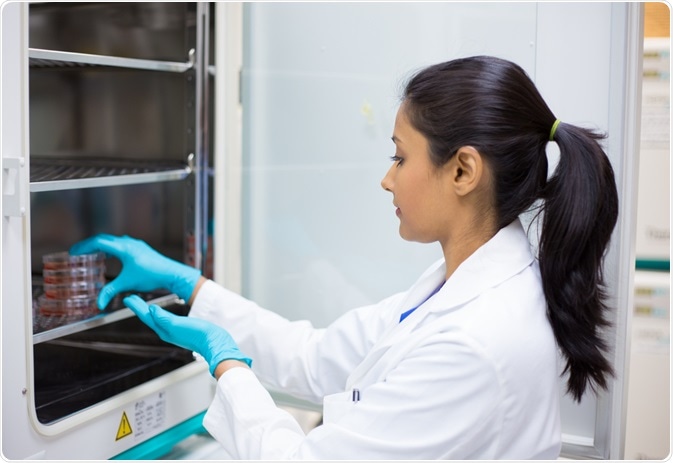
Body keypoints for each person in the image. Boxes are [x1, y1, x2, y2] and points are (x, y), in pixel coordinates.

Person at [70, 55, 619, 460]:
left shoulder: (476, 342)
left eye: (400, 157)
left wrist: (228, 365)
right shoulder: (463, 285)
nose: (387, 179)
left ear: (463, 171)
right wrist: (193, 289)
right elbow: (316, 357)